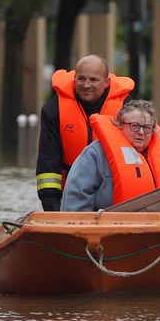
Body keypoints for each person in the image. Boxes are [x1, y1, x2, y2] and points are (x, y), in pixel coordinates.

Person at [35, 55, 135, 211]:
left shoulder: (127, 109)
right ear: (74, 78)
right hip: (71, 194)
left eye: (94, 80)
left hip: (113, 195)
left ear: (106, 82)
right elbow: (48, 162)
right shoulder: (54, 110)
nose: (86, 85)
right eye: (81, 79)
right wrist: (52, 208)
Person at [62, 100, 160, 212]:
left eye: (147, 128)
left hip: (155, 227)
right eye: (134, 126)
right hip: (108, 227)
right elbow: (76, 197)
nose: (141, 132)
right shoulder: (94, 154)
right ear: (119, 125)